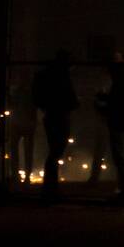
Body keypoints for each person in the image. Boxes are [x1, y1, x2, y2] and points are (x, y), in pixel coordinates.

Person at [32, 50, 78, 194]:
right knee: (56, 151)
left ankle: (50, 186)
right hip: (60, 117)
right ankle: (50, 187)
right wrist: (76, 103)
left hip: (50, 116)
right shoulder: (62, 77)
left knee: (54, 150)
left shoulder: (45, 75)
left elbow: (37, 97)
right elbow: (72, 100)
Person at [96, 52, 124, 202]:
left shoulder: (120, 81)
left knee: (120, 158)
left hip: (120, 125)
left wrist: (101, 107)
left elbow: (118, 105)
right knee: (122, 158)